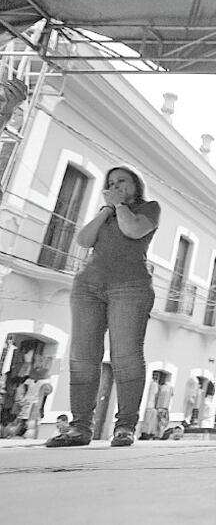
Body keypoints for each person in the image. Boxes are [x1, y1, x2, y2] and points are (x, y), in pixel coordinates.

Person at [45, 165, 160, 448]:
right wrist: (106, 211)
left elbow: (133, 231)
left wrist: (119, 205)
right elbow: (84, 240)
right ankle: (79, 428)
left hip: (130, 287)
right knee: (82, 358)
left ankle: (124, 427)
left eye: (122, 181)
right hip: (88, 286)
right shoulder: (105, 211)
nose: (116, 185)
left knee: (126, 356)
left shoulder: (149, 208)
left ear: (136, 184)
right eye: (111, 182)